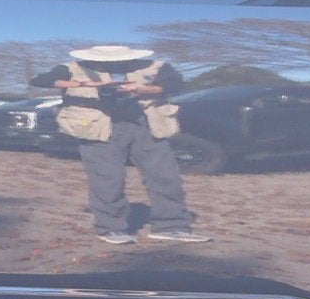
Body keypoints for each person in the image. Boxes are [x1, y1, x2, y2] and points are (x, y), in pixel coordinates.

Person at [44, 44, 208, 244]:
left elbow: (175, 84)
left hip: (146, 125)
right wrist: (85, 85)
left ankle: (172, 225)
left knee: (166, 176)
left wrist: (142, 89)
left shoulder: (155, 66)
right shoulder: (73, 68)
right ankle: (110, 228)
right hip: (99, 127)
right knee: (107, 179)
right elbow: (44, 80)